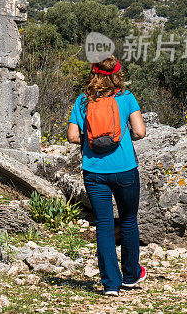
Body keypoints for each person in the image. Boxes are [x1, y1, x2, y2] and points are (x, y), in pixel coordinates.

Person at [67, 55, 147, 296]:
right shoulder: (126, 98)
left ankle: (110, 283)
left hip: (94, 171)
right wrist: (123, 137)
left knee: (103, 224)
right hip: (124, 168)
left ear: (94, 75)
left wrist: (91, 141)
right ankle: (131, 277)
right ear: (116, 75)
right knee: (129, 220)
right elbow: (141, 132)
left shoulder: (82, 101)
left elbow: (72, 136)